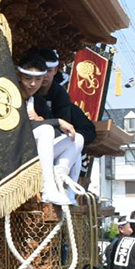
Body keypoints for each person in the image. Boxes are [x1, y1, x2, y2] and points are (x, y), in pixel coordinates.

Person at [16, 53, 84, 205]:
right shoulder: (10, 96)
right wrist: (54, 122)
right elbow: (17, 128)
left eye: (38, 79)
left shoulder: (37, 100)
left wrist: (43, 122)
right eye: (28, 78)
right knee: (46, 129)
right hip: (14, 152)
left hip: (37, 152)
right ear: (19, 76)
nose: (33, 84)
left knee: (76, 138)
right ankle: (48, 188)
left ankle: (63, 184)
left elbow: (56, 131)